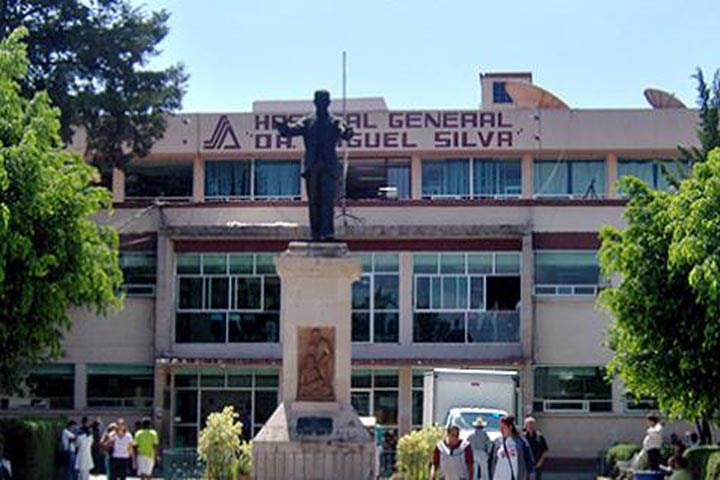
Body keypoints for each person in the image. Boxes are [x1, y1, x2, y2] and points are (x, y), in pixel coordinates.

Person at [274, 90, 354, 241]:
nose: (321, 103)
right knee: (314, 202)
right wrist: (283, 128)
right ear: (315, 102)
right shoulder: (307, 121)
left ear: (328, 103)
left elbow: (344, 132)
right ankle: (316, 233)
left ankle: (328, 233)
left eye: (324, 101)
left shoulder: (335, 121)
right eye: (319, 101)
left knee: (327, 201)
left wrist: (348, 132)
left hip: (329, 168)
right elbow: (292, 130)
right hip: (312, 168)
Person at [490, 416, 535, 480]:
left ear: (510, 427)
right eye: (500, 428)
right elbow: (491, 460)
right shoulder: (497, 442)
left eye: (503, 428)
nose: (501, 430)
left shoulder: (521, 442)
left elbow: (529, 460)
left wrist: (531, 475)